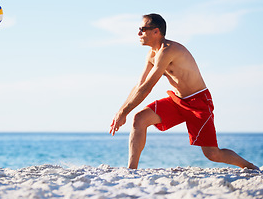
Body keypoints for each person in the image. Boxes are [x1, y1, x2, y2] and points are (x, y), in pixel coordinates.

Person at [109, 13, 259, 170]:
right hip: (177, 100)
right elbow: (139, 85)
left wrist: (123, 113)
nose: (138, 33)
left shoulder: (168, 51)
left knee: (213, 154)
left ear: (156, 31)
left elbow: (147, 88)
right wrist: (121, 111)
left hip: (198, 101)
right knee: (139, 119)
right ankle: (131, 170)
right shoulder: (151, 54)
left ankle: (250, 167)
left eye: (142, 29)